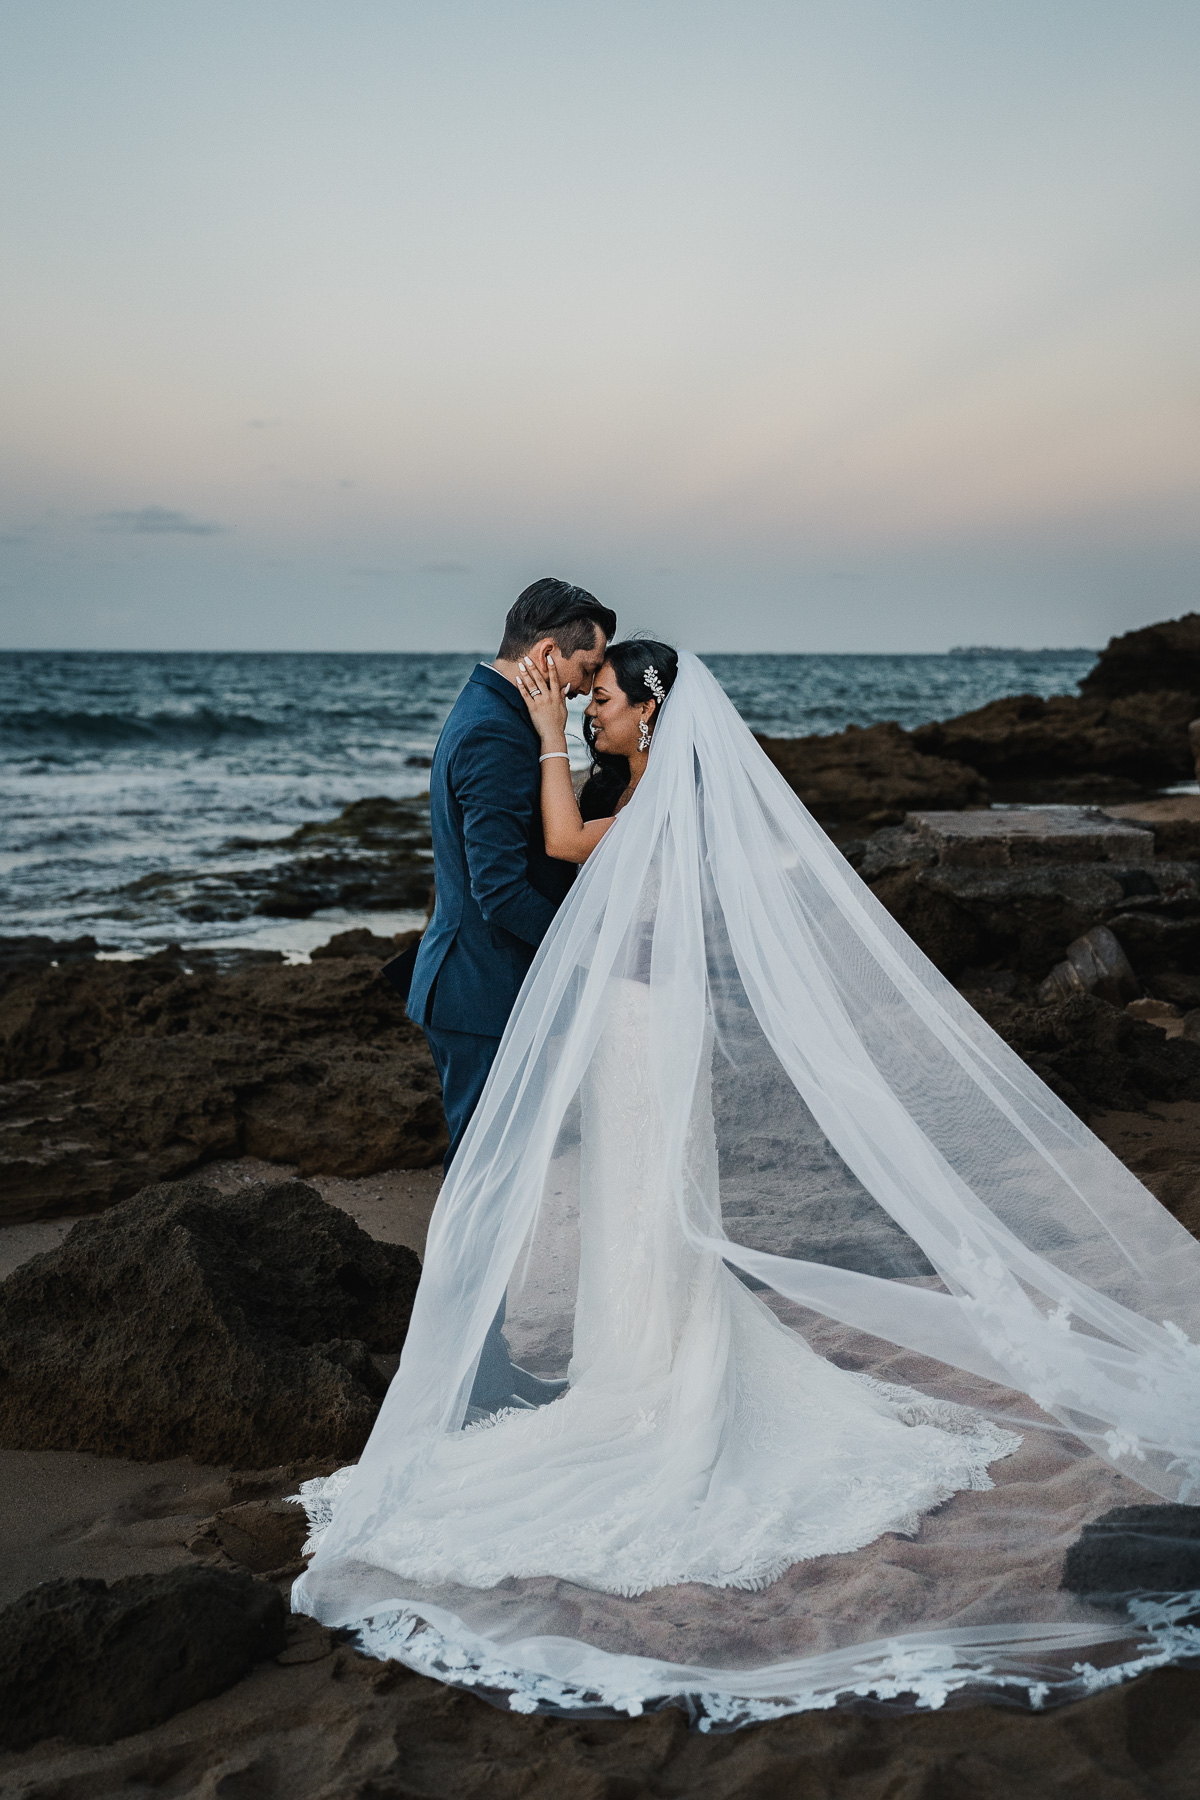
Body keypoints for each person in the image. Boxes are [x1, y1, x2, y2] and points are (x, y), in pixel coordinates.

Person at [295, 646, 1200, 1725]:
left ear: (651, 709)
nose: (592, 706)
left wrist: (545, 734)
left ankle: (654, 1374)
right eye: (585, 693)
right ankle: (632, 1359)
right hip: (637, 1025)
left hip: (645, 1025)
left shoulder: (654, 805)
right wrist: (564, 737)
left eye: (606, 697)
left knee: (646, 1208)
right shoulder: (645, 784)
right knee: (635, 1212)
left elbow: (563, 844)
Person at [405, 577, 616, 1410]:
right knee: (483, 1190)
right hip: (477, 996)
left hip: (482, 990)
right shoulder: (495, 738)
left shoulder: (497, 714)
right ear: (543, 653)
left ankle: (478, 1366)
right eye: (582, 665)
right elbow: (498, 891)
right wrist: (586, 951)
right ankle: (471, 1378)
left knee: (489, 1186)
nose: (582, 685)